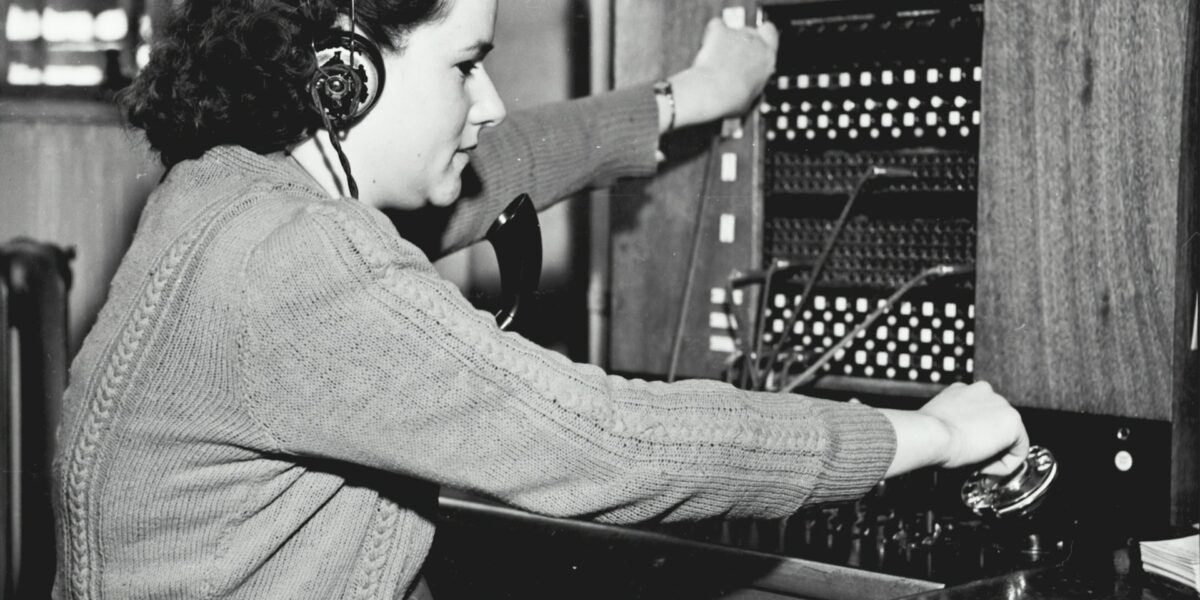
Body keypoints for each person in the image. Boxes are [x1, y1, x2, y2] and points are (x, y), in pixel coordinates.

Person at [51, 0, 1028, 598]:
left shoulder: (226, 192)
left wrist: (689, 95)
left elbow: (508, 161)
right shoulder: (293, 264)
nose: (489, 102)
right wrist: (929, 434)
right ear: (343, 74)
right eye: (465, 65)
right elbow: (609, 444)